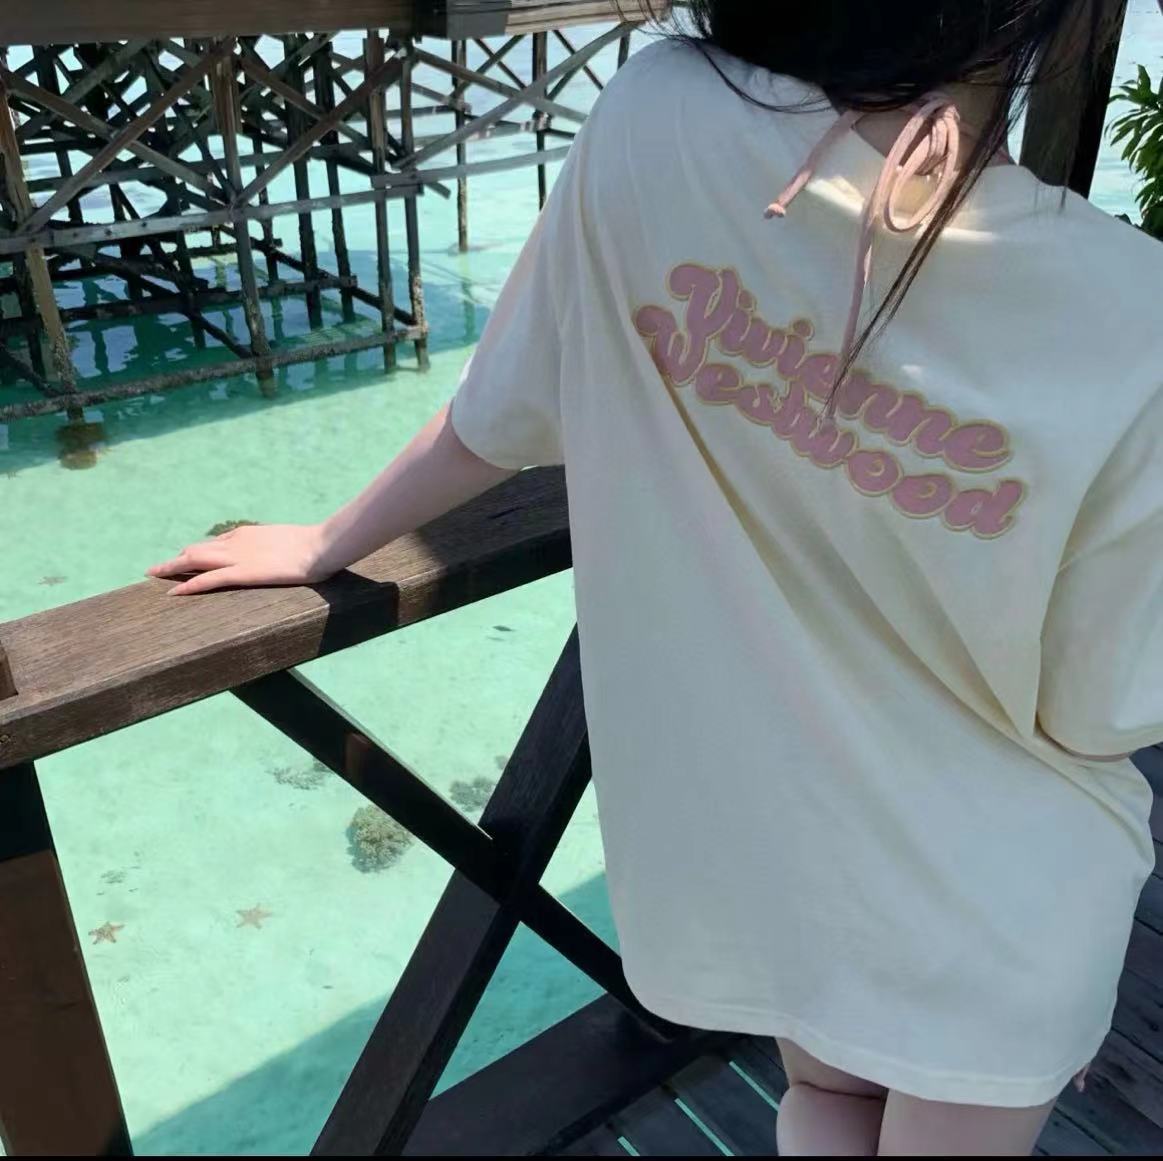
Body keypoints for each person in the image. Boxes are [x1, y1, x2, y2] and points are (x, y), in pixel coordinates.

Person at [149, 2, 1163, 1153]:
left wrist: (332, 539)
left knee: (822, 1103)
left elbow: (501, 404)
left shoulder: (658, 111)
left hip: (779, 867)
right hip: (1001, 910)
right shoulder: (1130, 308)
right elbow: (1094, 709)